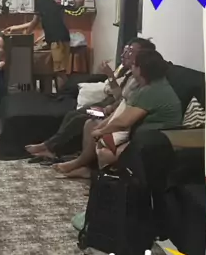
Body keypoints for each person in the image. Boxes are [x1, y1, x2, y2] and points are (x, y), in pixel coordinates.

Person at [53, 49, 182, 179]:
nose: (131, 68)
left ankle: (96, 176)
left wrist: (101, 131)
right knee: (90, 124)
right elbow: (123, 109)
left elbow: (124, 122)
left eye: (134, 65)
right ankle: (87, 168)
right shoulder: (148, 85)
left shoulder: (152, 91)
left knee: (104, 151)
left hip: (156, 141)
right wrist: (102, 127)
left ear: (141, 69)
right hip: (138, 133)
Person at [25, 38, 156, 160]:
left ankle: (49, 147)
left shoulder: (140, 78)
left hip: (109, 110)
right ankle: (51, 147)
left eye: (130, 51)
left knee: (80, 119)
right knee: (73, 114)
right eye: (126, 50)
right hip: (106, 104)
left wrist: (110, 76)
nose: (125, 54)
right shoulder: (127, 71)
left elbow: (121, 99)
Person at [4, 0, 71, 89]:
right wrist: (15, 28)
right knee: (59, 71)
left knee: (60, 72)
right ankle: (62, 94)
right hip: (62, 38)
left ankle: (65, 96)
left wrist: (26, 35)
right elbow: (40, 21)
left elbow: (35, 21)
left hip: (58, 40)